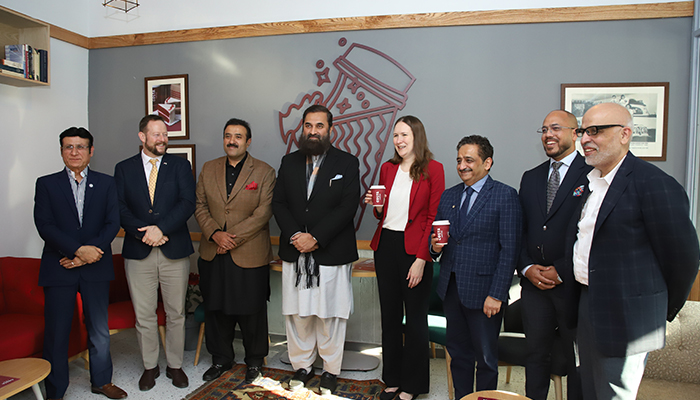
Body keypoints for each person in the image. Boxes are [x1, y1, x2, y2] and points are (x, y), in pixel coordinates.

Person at [563, 102, 699, 400]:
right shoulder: (590, 183)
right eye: (583, 131)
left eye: (595, 131)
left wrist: (652, 309)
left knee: (613, 394)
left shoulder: (654, 184)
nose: (585, 139)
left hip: (627, 315)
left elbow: (683, 258)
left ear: (624, 134)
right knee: (587, 389)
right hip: (587, 303)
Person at [272, 104, 360, 395]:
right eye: (308, 125)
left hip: (331, 252)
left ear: (330, 129)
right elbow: (279, 203)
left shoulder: (347, 163)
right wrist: (297, 236)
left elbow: (348, 206)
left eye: (319, 126)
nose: (313, 131)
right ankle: (302, 366)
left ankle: (331, 370)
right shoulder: (289, 162)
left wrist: (317, 238)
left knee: (329, 315)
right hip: (295, 250)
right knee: (298, 314)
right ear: (303, 128)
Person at [34, 127, 127, 400]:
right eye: (69, 147)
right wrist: (77, 251)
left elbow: (113, 222)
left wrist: (90, 253)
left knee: (99, 329)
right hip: (59, 265)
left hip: (96, 265)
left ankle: (102, 381)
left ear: (91, 151)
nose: (74, 152)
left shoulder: (107, 183)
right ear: (61, 150)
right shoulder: (46, 184)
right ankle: (55, 390)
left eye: (81, 147)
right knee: (57, 331)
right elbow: (45, 225)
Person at [430, 135, 522, 399]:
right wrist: (434, 247)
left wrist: (497, 294)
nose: (462, 166)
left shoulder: (505, 195)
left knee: (485, 358)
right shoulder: (449, 196)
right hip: (451, 290)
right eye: (459, 160)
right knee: (458, 354)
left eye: (469, 160)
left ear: (487, 162)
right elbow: (437, 241)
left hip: (485, 294)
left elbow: (510, 250)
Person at [364, 116, 445, 400]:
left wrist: (422, 259)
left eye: (405, 135)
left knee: (415, 321)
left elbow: (434, 216)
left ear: (417, 137)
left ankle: (412, 385)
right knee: (389, 317)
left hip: (415, 250)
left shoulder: (434, 169)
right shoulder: (388, 168)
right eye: (396, 135)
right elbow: (383, 213)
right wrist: (375, 206)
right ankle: (392, 380)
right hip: (385, 245)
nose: (399, 140)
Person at [114, 114, 195, 391]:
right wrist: (144, 233)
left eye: (165, 134)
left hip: (174, 249)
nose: (163, 139)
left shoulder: (180, 166)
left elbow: (187, 203)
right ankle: (150, 367)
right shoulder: (124, 168)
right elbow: (119, 207)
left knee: (176, 312)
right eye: (157, 134)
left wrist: (160, 229)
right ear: (142, 136)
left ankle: (175, 365)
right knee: (144, 314)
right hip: (138, 251)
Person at [194, 118, 276, 383]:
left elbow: (263, 213)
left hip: (249, 253)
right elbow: (199, 205)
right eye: (228, 136)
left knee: (252, 311)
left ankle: (254, 362)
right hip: (212, 251)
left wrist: (231, 239)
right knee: (215, 308)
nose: (232, 141)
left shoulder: (264, 171)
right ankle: (221, 359)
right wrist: (215, 234)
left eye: (238, 136)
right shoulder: (208, 168)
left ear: (248, 142)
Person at [518, 110, 588, 400]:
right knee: (535, 354)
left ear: (575, 133)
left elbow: (591, 234)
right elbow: (519, 229)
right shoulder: (531, 177)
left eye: (556, 128)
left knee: (577, 359)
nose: (548, 134)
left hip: (573, 285)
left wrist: (562, 269)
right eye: (544, 129)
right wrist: (526, 267)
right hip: (534, 286)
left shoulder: (592, 174)